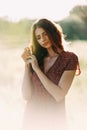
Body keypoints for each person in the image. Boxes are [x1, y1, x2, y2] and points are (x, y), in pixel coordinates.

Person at [21, 18, 81, 130]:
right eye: (38, 37)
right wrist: (27, 66)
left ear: (53, 32)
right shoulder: (37, 59)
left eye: (45, 34)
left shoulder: (70, 58)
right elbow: (26, 95)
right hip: (31, 118)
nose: (42, 39)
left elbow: (59, 95)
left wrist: (38, 70)